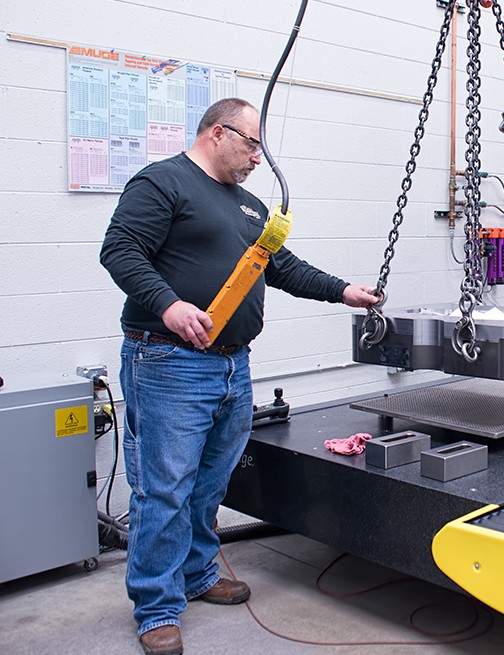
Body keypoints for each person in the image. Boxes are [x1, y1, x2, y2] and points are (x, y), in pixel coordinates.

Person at [100, 97, 379, 655]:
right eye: (252, 144)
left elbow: (284, 267)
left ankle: (198, 573)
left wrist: (342, 290)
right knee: (164, 489)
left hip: (232, 363)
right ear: (216, 133)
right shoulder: (162, 183)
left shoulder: (250, 207)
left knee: (209, 483)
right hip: (168, 362)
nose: (258, 157)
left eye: (261, 148)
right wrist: (169, 304)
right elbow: (120, 250)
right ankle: (156, 606)